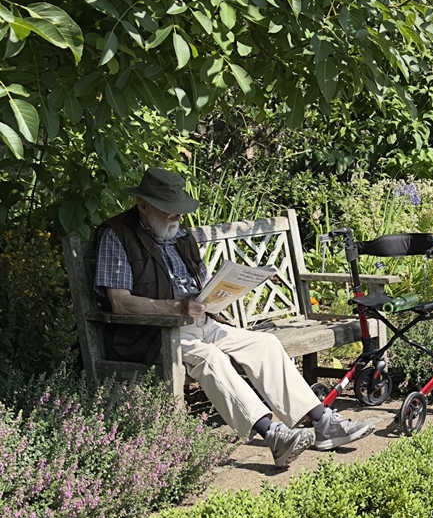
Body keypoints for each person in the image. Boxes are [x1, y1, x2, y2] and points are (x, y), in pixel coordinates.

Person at [94, 166, 375, 467]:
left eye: (179, 209)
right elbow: (120, 303)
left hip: (203, 322)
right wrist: (176, 308)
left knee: (264, 344)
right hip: (155, 334)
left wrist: (225, 292)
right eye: (168, 209)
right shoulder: (116, 235)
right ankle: (273, 436)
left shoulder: (182, 235)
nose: (176, 216)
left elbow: (203, 287)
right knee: (210, 358)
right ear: (143, 204)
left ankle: (323, 423)